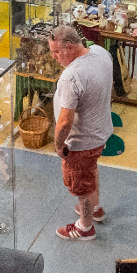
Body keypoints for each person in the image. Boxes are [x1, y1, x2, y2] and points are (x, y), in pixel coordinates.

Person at [49, 23, 115, 240]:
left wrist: (59, 145)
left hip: (80, 142)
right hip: (100, 132)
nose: (54, 57)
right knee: (90, 171)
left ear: (69, 47)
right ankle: (94, 209)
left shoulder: (71, 76)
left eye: (56, 51)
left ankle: (85, 227)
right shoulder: (100, 53)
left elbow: (66, 120)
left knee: (81, 186)